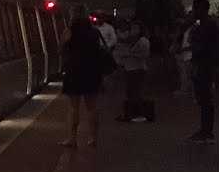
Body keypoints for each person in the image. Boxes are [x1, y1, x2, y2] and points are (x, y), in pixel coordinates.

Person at [59, 15, 111, 147]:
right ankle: (93, 138)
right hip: (92, 72)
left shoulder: (69, 31)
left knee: (73, 107)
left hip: (74, 71)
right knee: (92, 107)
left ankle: (72, 138)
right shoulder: (94, 32)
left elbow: (60, 49)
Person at [186, 0, 219, 144]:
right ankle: (204, 129)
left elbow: (210, 48)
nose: (194, 11)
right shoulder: (201, 27)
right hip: (202, 64)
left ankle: (207, 131)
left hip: (206, 65)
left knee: (206, 99)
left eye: (196, 8)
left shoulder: (209, 27)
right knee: (202, 99)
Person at [116, 21, 151, 123]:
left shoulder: (143, 41)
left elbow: (145, 55)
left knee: (136, 92)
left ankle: (139, 113)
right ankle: (131, 113)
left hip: (137, 68)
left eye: (136, 28)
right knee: (131, 92)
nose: (133, 30)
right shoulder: (132, 40)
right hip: (130, 67)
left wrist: (129, 54)